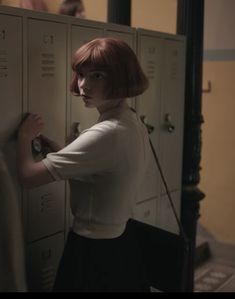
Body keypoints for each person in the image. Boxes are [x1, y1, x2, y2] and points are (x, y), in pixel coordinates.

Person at [17, 38, 151, 292]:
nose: (83, 85)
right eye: (80, 74)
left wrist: (24, 136)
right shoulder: (130, 120)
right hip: (120, 244)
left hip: (94, 251)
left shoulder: (107, 133)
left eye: (97, 76)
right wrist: (59, 151)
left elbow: (28, 177)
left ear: (120, 77)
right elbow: (98, 169)